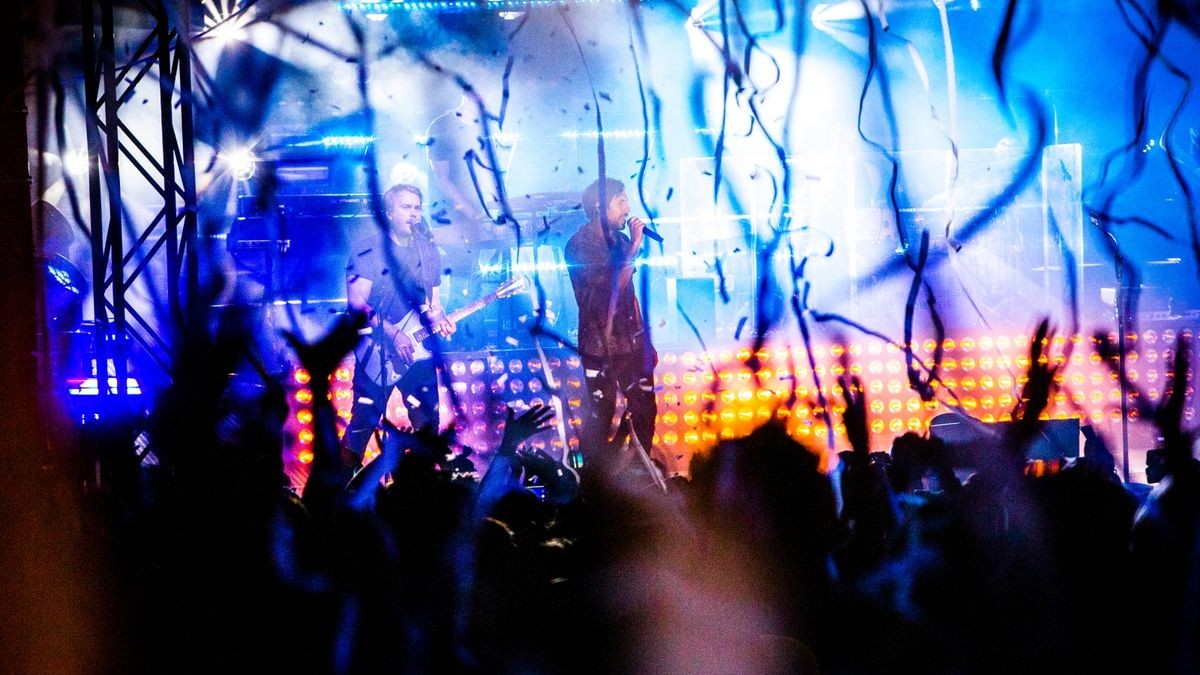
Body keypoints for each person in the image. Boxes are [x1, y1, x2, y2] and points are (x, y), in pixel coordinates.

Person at [345, 183, 455, 460]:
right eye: (406, 207)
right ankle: (339, 490)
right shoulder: (368, 250)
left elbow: (434, 304)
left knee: (429, 424)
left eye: (417, 207)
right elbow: (357, 305)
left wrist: (441, 319)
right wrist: (393, 334)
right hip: (377, 351)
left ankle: (425, 485)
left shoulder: (428, 251)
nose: (413, 214)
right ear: (389, 213)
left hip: (418, 354)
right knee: (362, 425)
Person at [564, 176, 657, 465]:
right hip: (599, 346)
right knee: (601, 415)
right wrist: (634, 248)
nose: (628, 209)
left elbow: (629, 297)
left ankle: (638, 472)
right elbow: (611, 287)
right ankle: (596, 476)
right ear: (598, 207)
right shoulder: (581, 245)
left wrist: (645, 341)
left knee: (644, 409)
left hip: (629, 344)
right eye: (621, 202)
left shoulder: (622, 241)